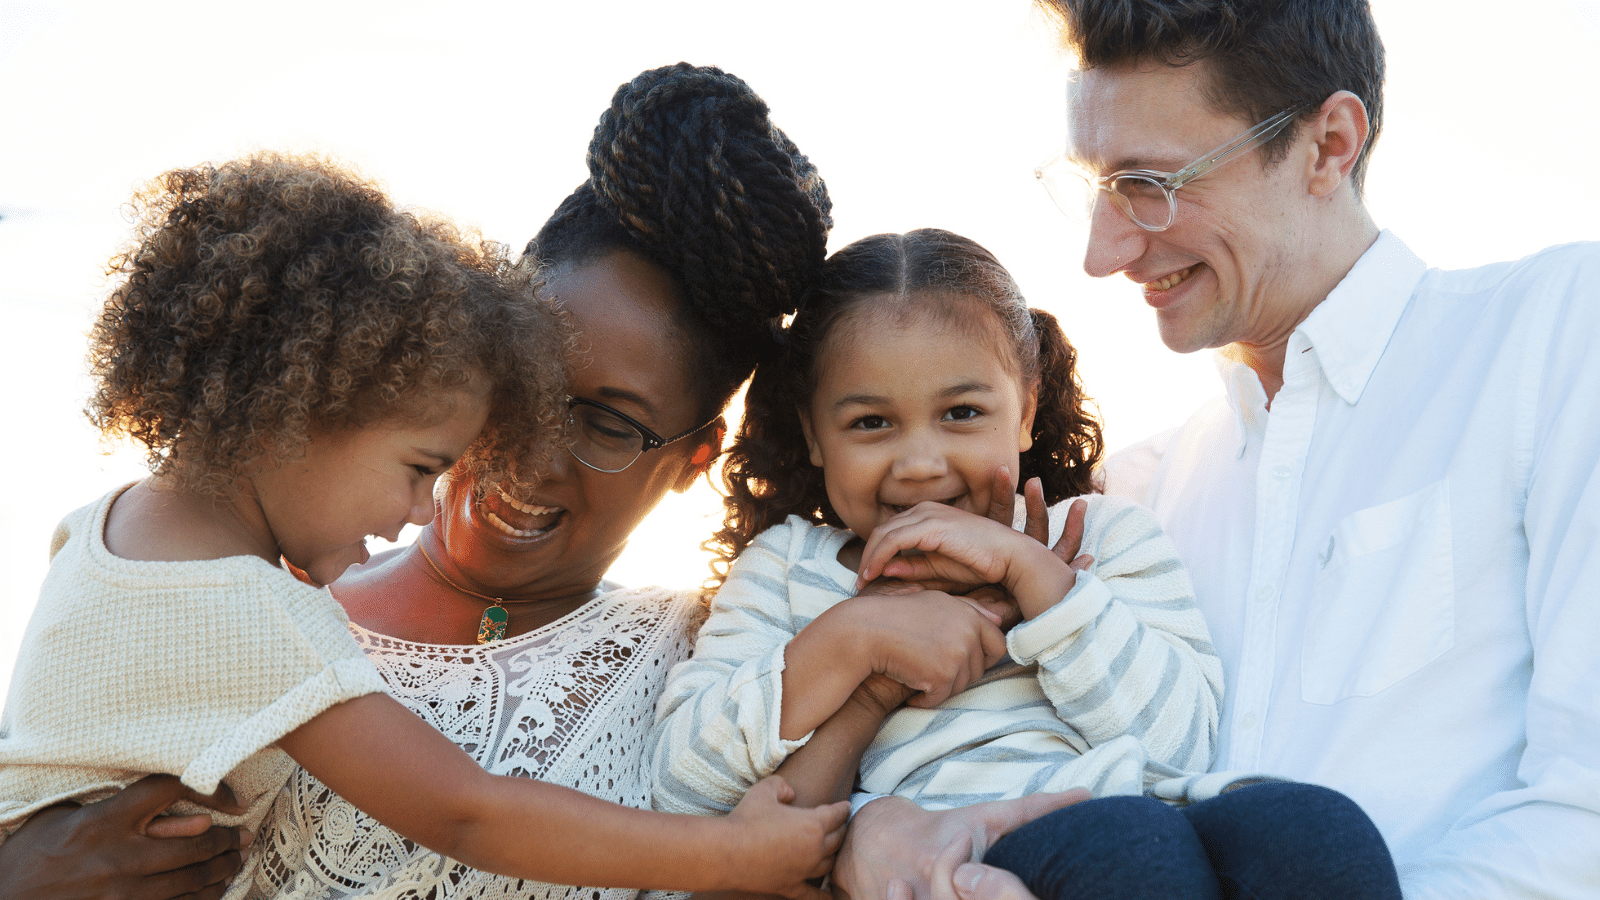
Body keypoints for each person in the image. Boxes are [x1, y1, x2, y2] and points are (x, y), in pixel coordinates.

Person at [0, 63, 879, 900]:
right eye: (517, 385)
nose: (530, 452)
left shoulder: (717, 670)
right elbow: (466, 810)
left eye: (606, 421)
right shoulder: (255, 603)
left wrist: (873, 683)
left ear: (692, 457)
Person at [652, 228, 1400, 900]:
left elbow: (1184, 739)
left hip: (1156, 804)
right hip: (959, 848)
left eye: (962, 413)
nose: (919, 463)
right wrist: (857, 636)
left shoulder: (1101, 536)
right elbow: (682, 784)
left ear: (1027, 408)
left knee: (1322, 833)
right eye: (871, 423)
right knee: (1129, 851)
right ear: (814, 435)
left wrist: (1042, 584)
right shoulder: (785, 568)